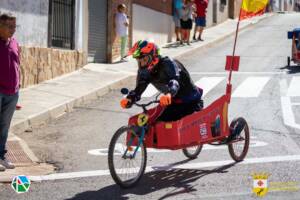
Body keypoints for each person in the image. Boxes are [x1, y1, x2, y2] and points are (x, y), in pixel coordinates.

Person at [120, 40, 203, 122]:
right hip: (174, 103)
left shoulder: (168, 63)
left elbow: (174, 81)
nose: (142, 64)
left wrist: (169, 94)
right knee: (157, 125)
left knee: (180, 130)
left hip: (191, 102)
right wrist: (129, 99)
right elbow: (139, 88)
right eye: (139, 61)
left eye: (144, 60)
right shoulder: (144, 72)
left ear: (154, 56)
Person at [0, 13, 20, 170]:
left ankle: (1, 156)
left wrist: (19, 84)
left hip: (12, 92)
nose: (13, 30)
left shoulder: (14, 43)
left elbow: (17, 64)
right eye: (10, 26)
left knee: (4, 127)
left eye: (15, 26)